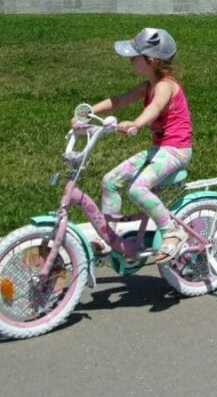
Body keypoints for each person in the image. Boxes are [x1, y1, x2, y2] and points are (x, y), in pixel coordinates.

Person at [82, 26, 192, 263]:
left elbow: (155, 107)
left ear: (150, 61)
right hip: (159, 150)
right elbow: (119, 100)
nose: (130, 60)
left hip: (176, 150)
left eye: (134, 57)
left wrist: (137, 123)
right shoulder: (148, 86)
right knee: (110, 181)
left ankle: (172, 231)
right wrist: (88, 112)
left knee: (137, 188)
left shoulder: (165, 86)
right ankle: (109, 237)